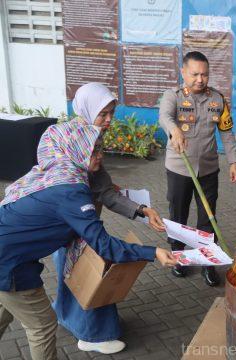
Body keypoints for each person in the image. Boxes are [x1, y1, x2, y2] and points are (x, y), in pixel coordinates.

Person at [0, 120, 176, 360]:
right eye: (92, 150)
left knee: (6, 308)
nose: (100, 156)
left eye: (100, 148)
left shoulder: (57, 170)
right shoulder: (71, 189)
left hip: (9, 255)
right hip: (8, 264)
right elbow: (103, 245)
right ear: (74, 149)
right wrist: (153, 252)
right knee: (42, 326)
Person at [52, 83, 166, 354]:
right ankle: (93, 336)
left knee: (71, 273)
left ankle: (69, 318)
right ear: (87, 109)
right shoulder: (72, 141)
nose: (108, 120)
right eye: (103, 114)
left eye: (111, 113)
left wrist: (142, 210)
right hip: (72, 222)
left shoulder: (91, 138)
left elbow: (103, 189)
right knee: (92, 273)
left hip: (77, 222)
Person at [159, 51, 236, 286]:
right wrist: (174, 130)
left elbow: (226, 132)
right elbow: (164, 117)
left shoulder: (218, 100)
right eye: (195, 74)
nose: (200, 79)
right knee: (178, 215)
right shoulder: (172, 96)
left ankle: (208, 264)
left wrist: (233, 161)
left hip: (207, 169)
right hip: (178, 168)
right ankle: (178, 257)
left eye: (204, 74)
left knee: (207, 217)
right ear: (183, 72)